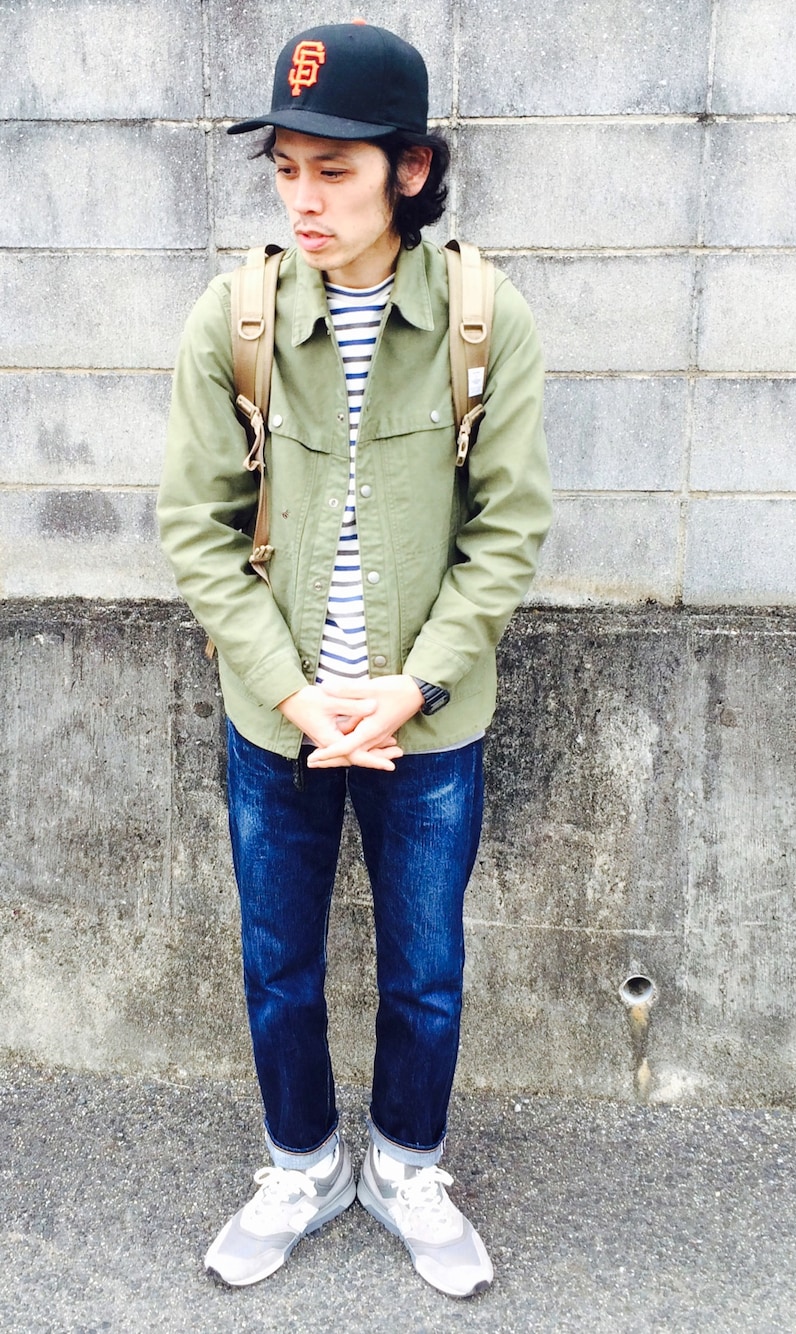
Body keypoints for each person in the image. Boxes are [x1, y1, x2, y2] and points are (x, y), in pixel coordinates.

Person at [157, 20, 550, 1300]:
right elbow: (196, 528)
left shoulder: (484, 320)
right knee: (278, 962)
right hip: (277, 717)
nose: (303, 199)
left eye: (334, 169)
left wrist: (411, 684)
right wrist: (291, 689)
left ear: (410, 170)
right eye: (286, 169)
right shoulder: (237, 318)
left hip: (424, 721)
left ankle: (407, 1167)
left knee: (424, 968)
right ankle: (302, 1163)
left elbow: (507, 530)